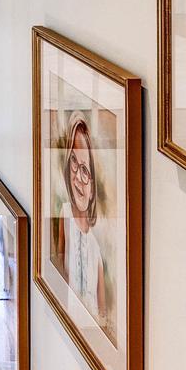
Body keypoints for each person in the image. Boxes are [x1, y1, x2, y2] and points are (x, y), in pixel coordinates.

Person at [59, 119, 112, 336]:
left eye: (85, 170)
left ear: (92, 190)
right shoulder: (64, 214)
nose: (79, 178)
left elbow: (102, 313)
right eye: (73, 162)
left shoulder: (96, 250)